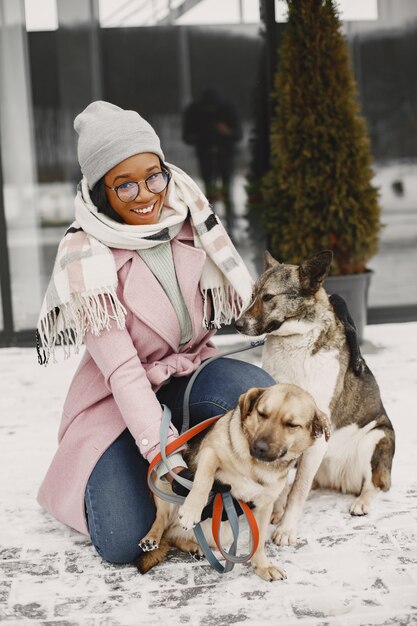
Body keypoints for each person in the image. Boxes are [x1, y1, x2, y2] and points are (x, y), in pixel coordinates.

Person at [36, 101, 276, 566]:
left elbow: (206, 327)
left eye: (153, 175)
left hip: (187, 374)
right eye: (124, 183)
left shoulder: (192, 219)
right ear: (102, 192)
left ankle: (204, 474)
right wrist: (160, 452)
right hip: (118, 406)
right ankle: (134, 471)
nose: (145, 193)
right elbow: (124, 372)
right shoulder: (85, 256)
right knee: (125, 540)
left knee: (259, 399)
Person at [182, 88, 242, 231]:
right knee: (209, 194)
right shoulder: (194, 110)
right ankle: (212, 227)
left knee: (227, 191)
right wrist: (201, 137)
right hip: (206, 155)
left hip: (225, 155)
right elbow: (187, 136)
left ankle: (231, 226)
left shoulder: (228, 108)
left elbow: (238, 134)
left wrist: (227, 132)